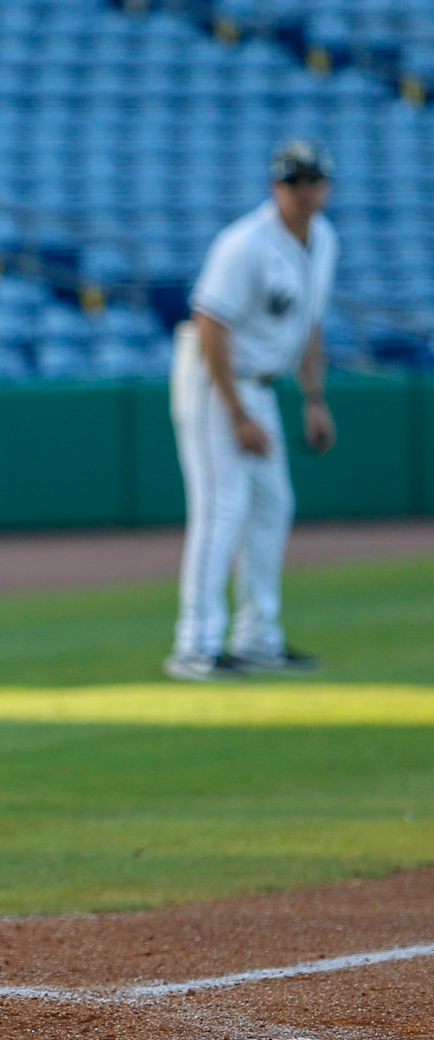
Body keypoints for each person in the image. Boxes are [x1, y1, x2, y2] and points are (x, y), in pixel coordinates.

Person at [165, 140, 337, 682]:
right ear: (275, 187)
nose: (303, 190)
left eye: (311, 180)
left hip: (262, 384)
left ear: (326, 187)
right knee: (222, 508)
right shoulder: (245, 244)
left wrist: (314, 400)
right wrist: (237, 413)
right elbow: (210, 324)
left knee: (272, 505)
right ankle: (195, 644)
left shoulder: (324, 240)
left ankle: (258, 637)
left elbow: (308, 324)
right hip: (215, 382)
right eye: (293, 181)